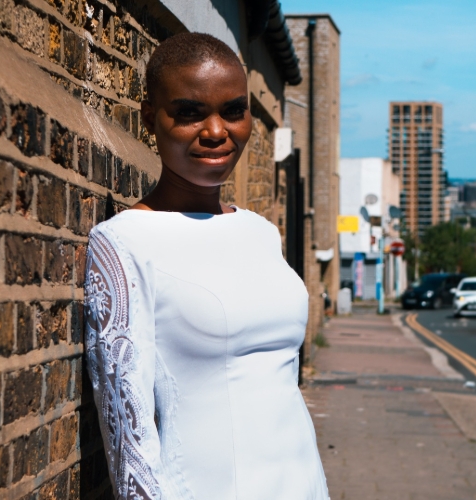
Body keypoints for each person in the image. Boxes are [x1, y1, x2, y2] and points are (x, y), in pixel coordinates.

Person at [83, 32, 329, 499]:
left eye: (233, 110)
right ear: (150, 120)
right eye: (190, 113)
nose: (217, 131)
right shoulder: (125, 242)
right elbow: (127, 436)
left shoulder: (260, 232)